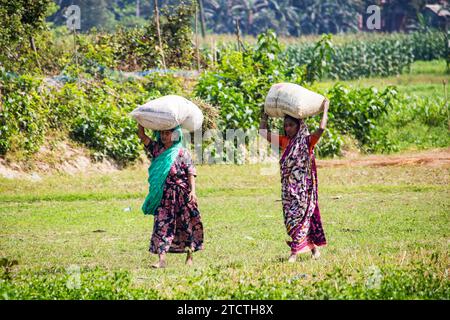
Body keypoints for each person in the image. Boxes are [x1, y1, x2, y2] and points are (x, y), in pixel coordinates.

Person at [259, 99, 330, 262]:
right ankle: (313, 250)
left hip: (303, 189)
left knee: (302, 218)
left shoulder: (307, 141)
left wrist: (325, 109)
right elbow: (263, 133)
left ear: (299, 125)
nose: (288, 128)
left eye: (291, 125)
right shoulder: (285, 141)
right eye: (286, 125)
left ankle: (294, 253)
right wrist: (264, 115)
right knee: (291, 221)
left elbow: (321, 128)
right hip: (287, 190)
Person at [137, 123, 204, 268]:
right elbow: (142, 136)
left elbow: (191, 172)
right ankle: (161, 260)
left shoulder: (182, 152)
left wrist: (193, 192)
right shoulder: (157, 150)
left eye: (167, 133)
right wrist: (140, 121)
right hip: (164, 196)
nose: (164, 136)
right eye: (162, 133)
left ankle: (189, 257)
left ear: (175, 135)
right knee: (161, 224)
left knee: (186, 225)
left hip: (182, 195)